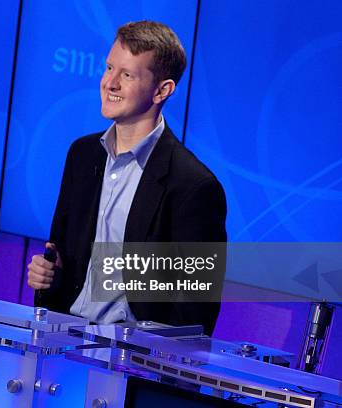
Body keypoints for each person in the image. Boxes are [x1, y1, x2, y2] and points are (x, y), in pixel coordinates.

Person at [27, 21, 227, 335]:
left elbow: (194, 314)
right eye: (109, 68)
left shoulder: (194, 187)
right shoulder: (82, 156)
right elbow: (61, 260)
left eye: (127, 75)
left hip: (132, 359)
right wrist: (47, 275)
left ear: (163, 90)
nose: (110, 83)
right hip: (61, 337)